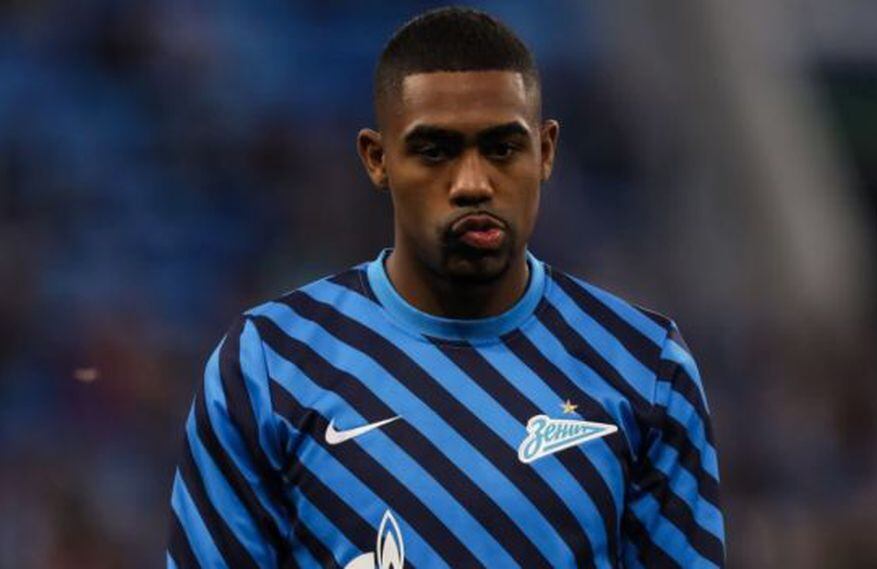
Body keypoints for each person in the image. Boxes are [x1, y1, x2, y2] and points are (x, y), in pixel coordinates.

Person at [166, 6, 725, 568]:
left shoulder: (646, 366)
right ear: (377, 159)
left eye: (502, 148)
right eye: (435, 151)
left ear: (546, 152)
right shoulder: (269, 365)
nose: (473, 183)